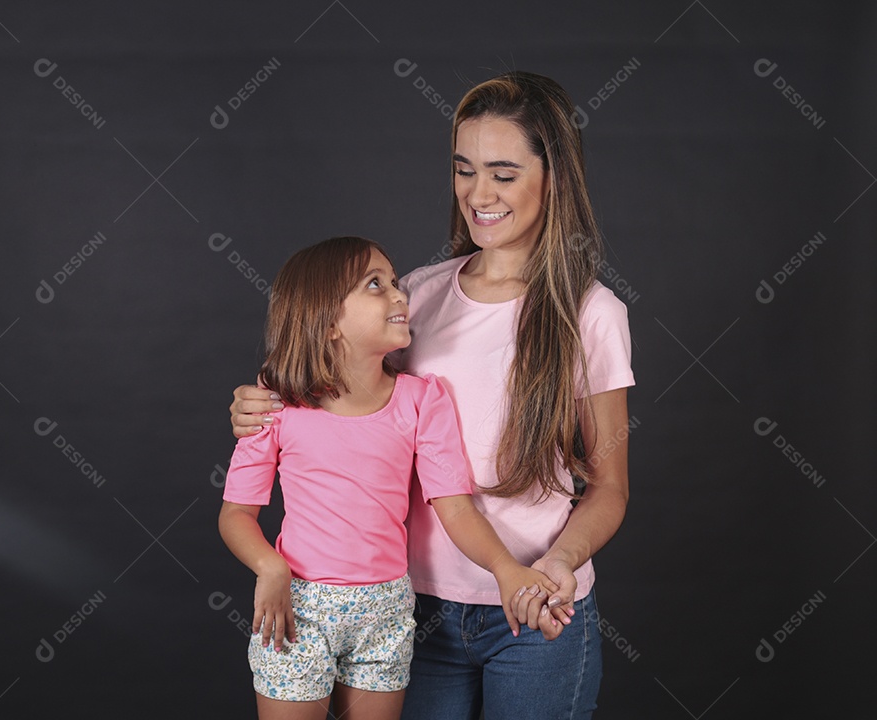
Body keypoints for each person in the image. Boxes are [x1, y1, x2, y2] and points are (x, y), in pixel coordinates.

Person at [230, 71, 634, 719]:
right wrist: (258, 405)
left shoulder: (591, 313)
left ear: (553, 176)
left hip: (532, 612)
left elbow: (609, 483)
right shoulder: (413, 295)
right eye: (464, 169)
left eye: (503, 173)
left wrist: (558, 561)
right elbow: (327, 395)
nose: (480, 194)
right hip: (408, 609)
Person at [219, 235, 559, 720]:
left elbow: (456, 507)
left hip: (387, 610)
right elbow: (235, 513)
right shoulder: (275, 403)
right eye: (375, 285)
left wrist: (506, 570)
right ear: (328, 320)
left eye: (396, 282)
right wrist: (270, 568)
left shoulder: (422, 401)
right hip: (298, 608)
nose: (400, 295)